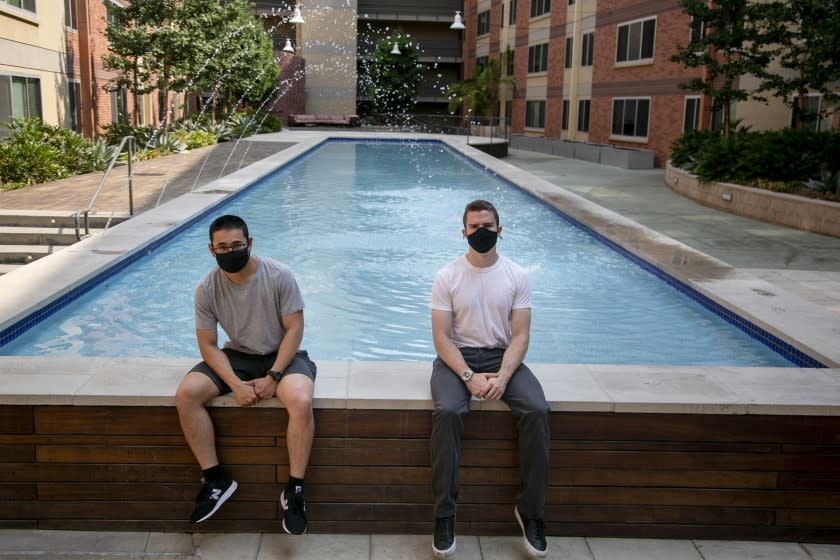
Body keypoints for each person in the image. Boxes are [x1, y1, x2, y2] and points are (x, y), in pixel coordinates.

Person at [175, 214, 316, 534]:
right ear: (212, 250)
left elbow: (295, 330)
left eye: (237, 245)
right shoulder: (206, 288)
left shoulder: (279, 275)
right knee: (186, 395)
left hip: (282, 354)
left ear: (249, 244)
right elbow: (208, 346)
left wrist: (275, 376)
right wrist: (235, 384)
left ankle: (294, 490)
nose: (230, 251)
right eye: (222, 247)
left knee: (300, 399)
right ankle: (215, 479)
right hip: (236, 356)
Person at [429, 200, 550, 558]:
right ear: (463, 232)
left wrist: (503, 376)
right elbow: (441, 338)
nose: (481, 232)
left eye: (488, 225)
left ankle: (530, 513)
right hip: (457, 360)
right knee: (448, 412)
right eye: (475, 226)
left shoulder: (517, 275)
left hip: (502, 358)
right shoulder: (446, 276)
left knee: (538, 411)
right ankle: (444, 514)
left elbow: (521, 336)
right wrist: (468, 376)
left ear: (500, 229)